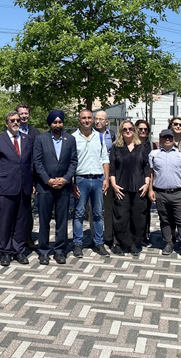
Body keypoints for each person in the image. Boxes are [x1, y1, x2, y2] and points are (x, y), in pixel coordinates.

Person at [0, 111, 34, 266]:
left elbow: (30, 164)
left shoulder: (27, 139)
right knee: (5, 221)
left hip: (24, 188)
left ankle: (19, 250)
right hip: (5, 188)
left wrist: (32, 183)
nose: (16, 122)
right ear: (6, 123)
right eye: (12, 120)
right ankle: (5, 251)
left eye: (17, 120)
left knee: (21, 221)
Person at [33, 110, 78, 265]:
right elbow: (37, 162)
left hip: (64, 187)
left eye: (60, 122)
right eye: (54, 122)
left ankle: (60, 251)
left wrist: (65, 179)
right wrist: (48, 180)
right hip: (45, 187)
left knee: (62, 221)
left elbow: (73, 162)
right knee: (44, 221)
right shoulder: (40, 139)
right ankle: (44, 251)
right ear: (50, 124)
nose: (57, 125)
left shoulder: (70, 139)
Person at [148, 129, 181, 260]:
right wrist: (151, 190)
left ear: (173, 139)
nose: (167, 139)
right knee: (165, 220)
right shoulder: (154, 154)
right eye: (165, 137)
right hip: (160, 192)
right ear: (160, 138)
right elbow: (151, 173)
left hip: (177, 192)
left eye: (170, 137)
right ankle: (168, 243)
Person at [72, 109, 110, 258]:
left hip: (98, 179)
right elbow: (70, 162)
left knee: (98, 213)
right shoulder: (73, 138)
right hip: (81, 179)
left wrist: (106, 178)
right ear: (79, 120)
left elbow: (104, 158)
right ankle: (78, 244)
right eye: (84, 118)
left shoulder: (99, 137)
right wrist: (72, 183)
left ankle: (99, 243)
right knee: (79, 213)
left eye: (89, 118)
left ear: (93, 119)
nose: (87, 120)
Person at [109, 120, 150, 256]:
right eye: (125, 129)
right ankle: (119, 243)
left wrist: (147, 183)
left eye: (130, 129)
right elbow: (112, 169)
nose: (128, 131)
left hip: (139, 188)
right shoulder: (116, 147)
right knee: (121, 217)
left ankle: (133, 243)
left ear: (134, 130)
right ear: (121, 131)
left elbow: (146, 167)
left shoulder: (141, 147)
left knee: (138, 217)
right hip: (121, 188)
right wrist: (114, 185)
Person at [16, 103, 40, 250]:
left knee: (28, 209)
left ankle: (27, 237)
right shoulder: (11, 131)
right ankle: (15, 236)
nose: (24, 116)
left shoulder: (35, 133)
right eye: (21, 114)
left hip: (29, 178)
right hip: (13, 178)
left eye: (26, 113)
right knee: (14, 209)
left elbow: (37, 157)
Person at [94, 110, 117, 249]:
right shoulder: (89, 135)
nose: (98, 121)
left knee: (108, 207)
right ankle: (96, 237)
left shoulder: (112, 136)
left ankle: (108, 236)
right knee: (95, 210)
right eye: (96, 119)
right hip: (94, 174)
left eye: (101, 119)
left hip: (108, 175)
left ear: (106, 122)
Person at [135, 119, 155, 247]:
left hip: (147, 182)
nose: (143, 131)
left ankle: (144, 236)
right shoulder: (132, 144)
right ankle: (134, 235)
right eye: (140, 129)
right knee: (134, 210)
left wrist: (151, 186)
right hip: (133, 181)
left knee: (145, 211)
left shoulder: (152, 146)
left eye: (145, 129)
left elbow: (153, 168)